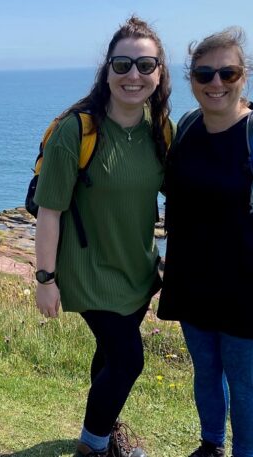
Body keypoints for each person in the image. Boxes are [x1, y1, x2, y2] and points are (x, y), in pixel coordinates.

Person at [157, 27, 253, 457]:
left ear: (245, 76)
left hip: (249, 283)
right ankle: (211, 445)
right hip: (192, 278)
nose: (216, 83)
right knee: (205, 370)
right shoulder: (188, 128)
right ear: (191, 79)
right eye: (204, 74)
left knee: (244, 380)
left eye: (228, 73)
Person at [33, 15, 172, 457]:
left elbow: (187, 194)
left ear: (159, 73)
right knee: (129, 360)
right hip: (88, 270)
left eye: (145, 65)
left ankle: (105, 432)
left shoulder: (159, 130)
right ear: (107, 70)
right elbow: (49, 211)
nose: (133, 75)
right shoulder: (77, 130)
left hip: (137, 270)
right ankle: (93, 447)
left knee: (111, 356)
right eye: (122, 64)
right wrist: (45, 279)